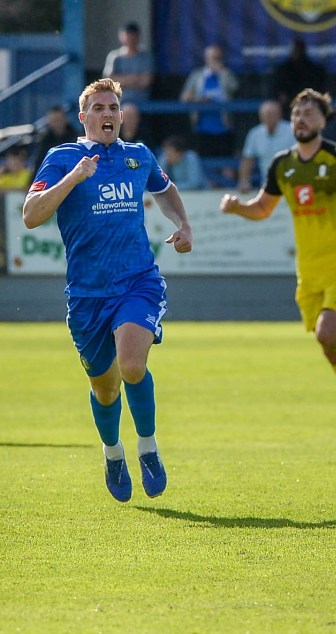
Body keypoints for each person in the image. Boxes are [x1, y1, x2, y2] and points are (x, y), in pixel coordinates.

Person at [21, 78, 193, 502]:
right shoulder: (62, 158)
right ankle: (113, 453)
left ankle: (148, 448)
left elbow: (164, 188)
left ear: (121, 114)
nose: (107, 114)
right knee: (105, 387)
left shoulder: (138, 156)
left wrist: (183, 225)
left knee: (132, 365)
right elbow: (30, 216)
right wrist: (74, 179)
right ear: (83, 118)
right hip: (86, 296)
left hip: (138, 281)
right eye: (97, 108)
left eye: (113, 107)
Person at [219, 89, 336, 439]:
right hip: (308, 271)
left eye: (309, 113)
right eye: (297, 113)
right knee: (332, 351)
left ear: (323, 120)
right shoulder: (281, 164)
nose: (301, 118)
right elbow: (262, 208)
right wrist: (237, 207)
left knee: (328, 334)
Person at [179, 44, 239, 158]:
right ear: (206, 58)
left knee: (226, 164)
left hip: (224, 127)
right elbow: (184, 97)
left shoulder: (227, 74)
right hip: (202, 128)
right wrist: (199, 99)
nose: (215, 61)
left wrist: (222, 72)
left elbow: (235, 88)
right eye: (213, 57)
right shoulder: (197, 75)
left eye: (218, 58)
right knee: (203, 163)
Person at [237, 99, 295, 193]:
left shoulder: (292, 132)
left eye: (272, 114)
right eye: (266, 115)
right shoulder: (254, 134)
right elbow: (247, 159)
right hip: (267, 186)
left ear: (279, 115)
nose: (269, 118)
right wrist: (244, 181)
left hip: (292, 185)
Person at [102, 22, 154, 108]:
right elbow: (109, 82)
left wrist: (121, 80)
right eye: (127, 35)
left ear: (138, 36)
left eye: (133, 35)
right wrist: (134, 78)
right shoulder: (114, 56)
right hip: (116, 98)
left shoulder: (146, 57)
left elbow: (145, 82)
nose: (130, 39)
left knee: (129, 110)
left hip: (139, 99)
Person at [273, 38, 327, 110]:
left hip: (310, 103)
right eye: (295, 50)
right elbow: (278, 89)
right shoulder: (282, 69)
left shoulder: (314, 69)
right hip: (288, 105)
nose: (297, 53)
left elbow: (319, 89)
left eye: (299, 50)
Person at [33, 105, 78, 174]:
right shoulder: (45, 139)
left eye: (59, 120)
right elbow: (39, 162)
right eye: (54, 120)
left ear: (65, 119)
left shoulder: (75, 137)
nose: (57, 123)